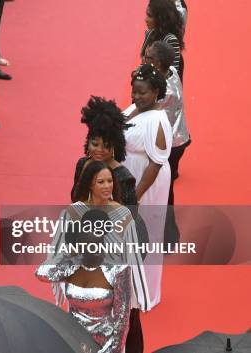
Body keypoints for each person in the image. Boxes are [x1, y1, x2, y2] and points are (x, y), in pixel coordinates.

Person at [37, 161, 149, 353]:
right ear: (90, 184)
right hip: (80, 279)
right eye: (101, 182)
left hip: (111, 285)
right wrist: (74, 262)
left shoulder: (123, 214)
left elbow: (131, 255)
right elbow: (58, 251)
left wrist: (133, 293)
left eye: (109, 181)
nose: (107, 186)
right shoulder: (73, 212)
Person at [122, 64, 172, 310]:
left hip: (146, 183)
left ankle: (142, 294)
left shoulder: (159, 121)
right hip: (128, 177)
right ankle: (125, 288)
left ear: (155, 92)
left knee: (145, 234)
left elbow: (155, 165)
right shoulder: (134, 108)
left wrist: (134, 196)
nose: (136, 97)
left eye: (142, 93)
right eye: (134, 91)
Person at [144, 41, 190, 246]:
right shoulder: (169, 70)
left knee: (165, 192)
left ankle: (170, 239)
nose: (145, 60)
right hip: (177, 139)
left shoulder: (165, 92)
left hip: (172, 146)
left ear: (159, 63)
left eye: (149, 58)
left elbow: (145, 112)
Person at [140, 0, 185, 82]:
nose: (146, 19)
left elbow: (171, 76)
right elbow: (143, 64)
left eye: (150, 16)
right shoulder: (149, 34)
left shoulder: (171, 40)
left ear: (160, 18)